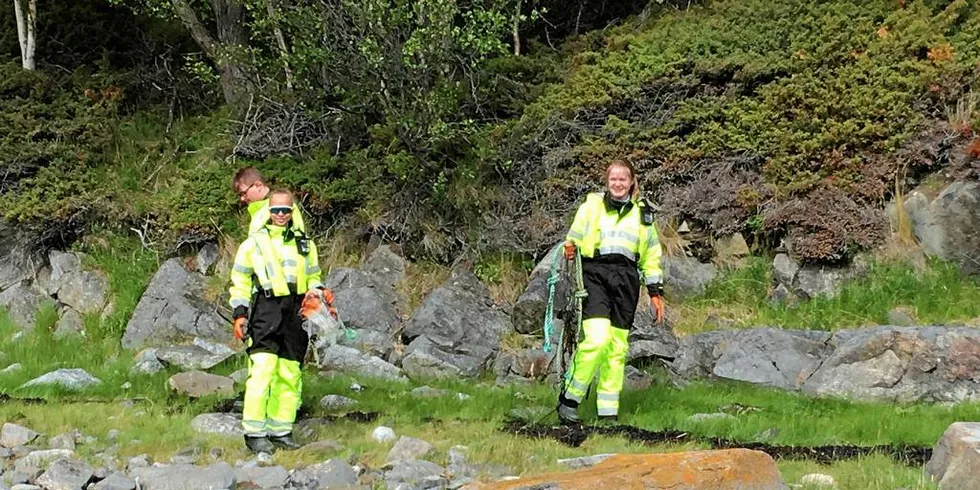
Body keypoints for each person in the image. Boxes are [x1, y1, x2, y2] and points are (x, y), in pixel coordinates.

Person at [556, 159, 664, 423]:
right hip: (595, 275)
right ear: (608, 182)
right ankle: (569, 398)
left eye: (622, 179)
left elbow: (651, 254)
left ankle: (607, 412)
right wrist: (570, 248)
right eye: (613, 179)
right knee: (597, 339)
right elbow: (573, 239)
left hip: (626, 281)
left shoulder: (643, 214)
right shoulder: (591, 206)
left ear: (631, 182)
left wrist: (655, 292)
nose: (617, 183)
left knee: (617, 347)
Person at [228, 190, 324, 453]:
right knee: (262, 369)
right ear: (268, 211)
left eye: (285, 210)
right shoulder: (253, 244)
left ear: (293, 211)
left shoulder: (306, 244)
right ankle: (255, 432)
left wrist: (318, 291)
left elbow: (314, 275)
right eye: (276, 210)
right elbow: (240, 280)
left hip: (296, 311)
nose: (281, 215)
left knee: (290, 373)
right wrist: (239, 313)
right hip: (266, 309)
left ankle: (281, 430)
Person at [232, 167, 306, 234]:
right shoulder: (259, 210)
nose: (242, 198)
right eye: (240, 195)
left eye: (244, 193)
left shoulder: (279, 207)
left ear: (258, 185)